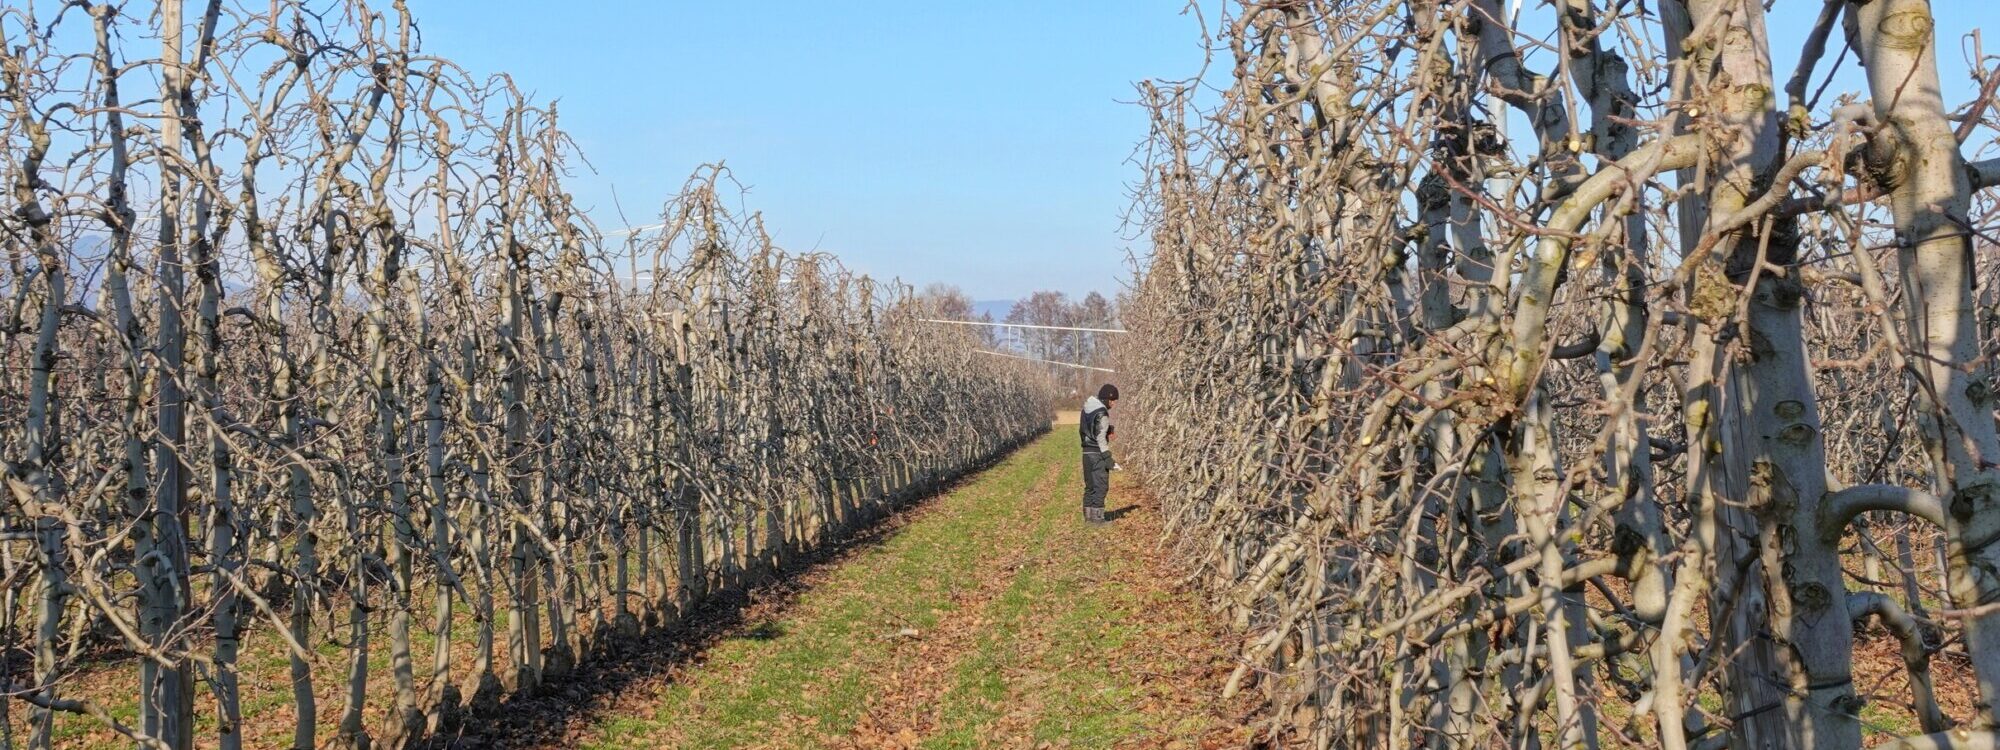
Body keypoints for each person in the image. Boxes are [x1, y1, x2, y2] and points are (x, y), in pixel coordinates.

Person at [1079, 383, 1118, 525]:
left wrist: (1108, 429)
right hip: (1097, 454)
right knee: (1100, 486)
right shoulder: (1102, 412)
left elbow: (1090, 428)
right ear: (1107, 399)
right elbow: (1100, 438)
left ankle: (1088, 518)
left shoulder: (1086, 408)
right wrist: (1107, 457)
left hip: (1086, 452)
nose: (1114, 404)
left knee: (1089, 486)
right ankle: (1098, 520)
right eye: (1113, 401)